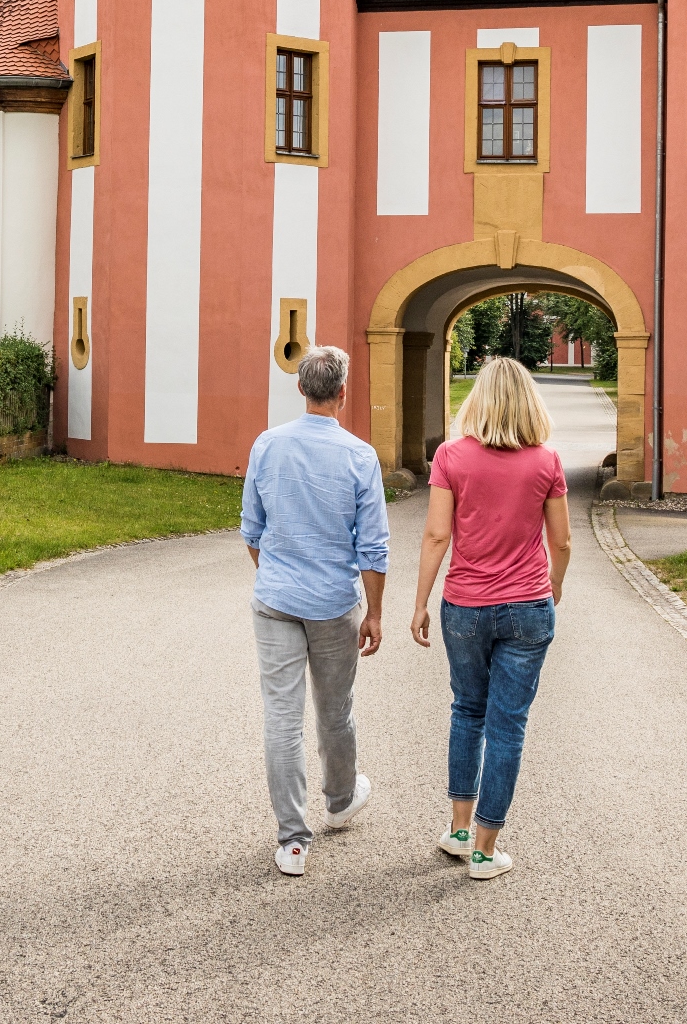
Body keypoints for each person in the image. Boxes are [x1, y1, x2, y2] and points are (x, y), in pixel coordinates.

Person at [408, 355, 571, 881]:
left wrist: (419, 603)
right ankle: (485, 850)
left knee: (467, 711)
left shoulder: (450, 457)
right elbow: (562, 541)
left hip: (466, 606)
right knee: (508, 726)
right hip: (527, 606)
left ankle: (457, 830)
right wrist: (554, 587)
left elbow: (437, 535)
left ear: (478, 399)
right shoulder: (546, 461)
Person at [242, 344, 390, 877]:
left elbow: (251, 530)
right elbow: (373, 547)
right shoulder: (359, 455)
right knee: (335, 711)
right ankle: (341, 800)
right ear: (343, 394)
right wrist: (374, 612)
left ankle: (292, 842)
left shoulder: (267, 445)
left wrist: (276, 574)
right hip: (333, 603)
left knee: (282, 719)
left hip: (275, 600)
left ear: (301, 389)